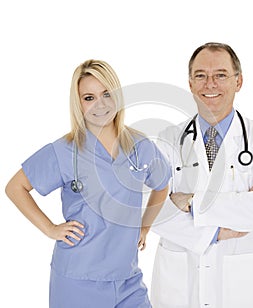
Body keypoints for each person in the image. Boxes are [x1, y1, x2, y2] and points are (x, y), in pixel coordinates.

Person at [5, 59, 170, 308]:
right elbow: (15, 187)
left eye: (106, 94)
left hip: (128, 280)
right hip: (77, 282)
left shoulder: (140, 146)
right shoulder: (64, 151)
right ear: (78, 103)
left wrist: (145, 226)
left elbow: (161, 184)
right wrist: (50, 229)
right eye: (89, 97)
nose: (100, 104)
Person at [150, 43, 253, 308]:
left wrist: (190, 202)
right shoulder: (167, 141)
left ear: (238, 81)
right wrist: (215, 232)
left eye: (220, 75)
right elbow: (153, 212)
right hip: (180, 281)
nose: (210, 84)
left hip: (243, 282)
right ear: (190, 83)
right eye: (200, 75)